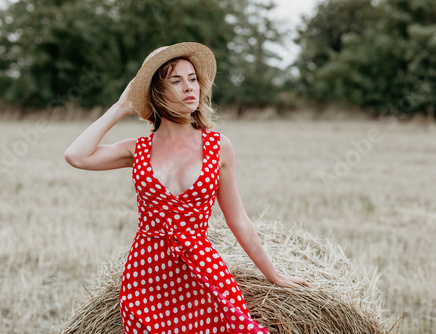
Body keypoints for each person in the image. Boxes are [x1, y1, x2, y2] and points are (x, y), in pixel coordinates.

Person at [64, 42, 309, 334]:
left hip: (201, 271)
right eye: (176, 81)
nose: (188, 87)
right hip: (146, 278)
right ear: (158, 91)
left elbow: (237, 219)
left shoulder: (219, 147)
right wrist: (120, 108)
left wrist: (274, 275)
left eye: (192, 79)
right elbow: (76, 155)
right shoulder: (138, 149)